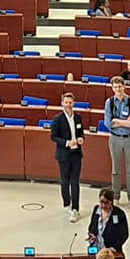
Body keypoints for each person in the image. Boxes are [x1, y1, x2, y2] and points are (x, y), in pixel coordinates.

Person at [50, 92, 87, 222]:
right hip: (64, 155)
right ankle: (67, 203)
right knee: (65, 180)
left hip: (76, 153)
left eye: (70, 102)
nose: (68, 105)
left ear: (74, 103)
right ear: (62, 103)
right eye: (66, 102)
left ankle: (75, 208)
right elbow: (53, 136)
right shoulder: (57, 119)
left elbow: (81, 132)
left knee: (75, 181)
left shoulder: (78, 117)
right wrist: (66, 143)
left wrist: (81, 138)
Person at [105, 77, 130, 205]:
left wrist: (117, 121)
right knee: (115, 170)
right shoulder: (109, 102)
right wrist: (124, 122)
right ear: (112, 88)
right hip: (115, 139)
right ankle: (116, 196)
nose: (118, 89)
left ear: (124, 86)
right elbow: (108, 123)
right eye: (115, 87)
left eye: (120, 86)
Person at [87, 187, 130, 253]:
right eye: (101, 202)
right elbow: (91, 227)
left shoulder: (119, 214)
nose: (103, 205)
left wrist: (113, 248)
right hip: (95, 249)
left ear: (111, 201)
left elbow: (124, 234)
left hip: (110, 251)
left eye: (106, 202)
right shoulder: (96, 209)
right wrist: (92, 235)